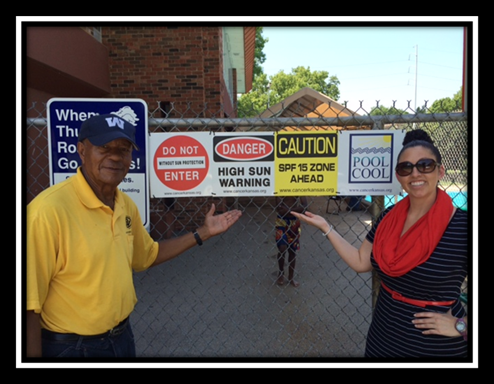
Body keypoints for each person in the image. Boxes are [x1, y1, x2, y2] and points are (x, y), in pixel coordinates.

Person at [26, 114, 242, 357]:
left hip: (121, 339)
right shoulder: (47, 212)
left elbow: (146, 255)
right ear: (82, 151)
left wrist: (203, 232)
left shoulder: (124, 203)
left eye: (124, 149)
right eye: (104, 148)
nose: (116, 157)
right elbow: (29, 304)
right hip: (71, 347)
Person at [290, 129, 467, 357]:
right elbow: (362, 261)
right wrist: (327, 227)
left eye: (425, 165)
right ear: (398, 176)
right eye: (406, 167)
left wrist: (459, 326)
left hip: (434, 347)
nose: (415, 173)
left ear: (440, 170)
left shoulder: (461, 226)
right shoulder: (389, 217)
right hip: (383, 338)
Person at [275, 195, 308, 287]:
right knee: (282, 248)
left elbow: (305, 206)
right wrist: (295, 210)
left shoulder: (298, 185)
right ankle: (281, 273)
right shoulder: (279, 185)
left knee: (292, 251)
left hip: (294, 222)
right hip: (281, 222)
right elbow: (279, 209)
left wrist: (288, 210)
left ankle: (291, 277)